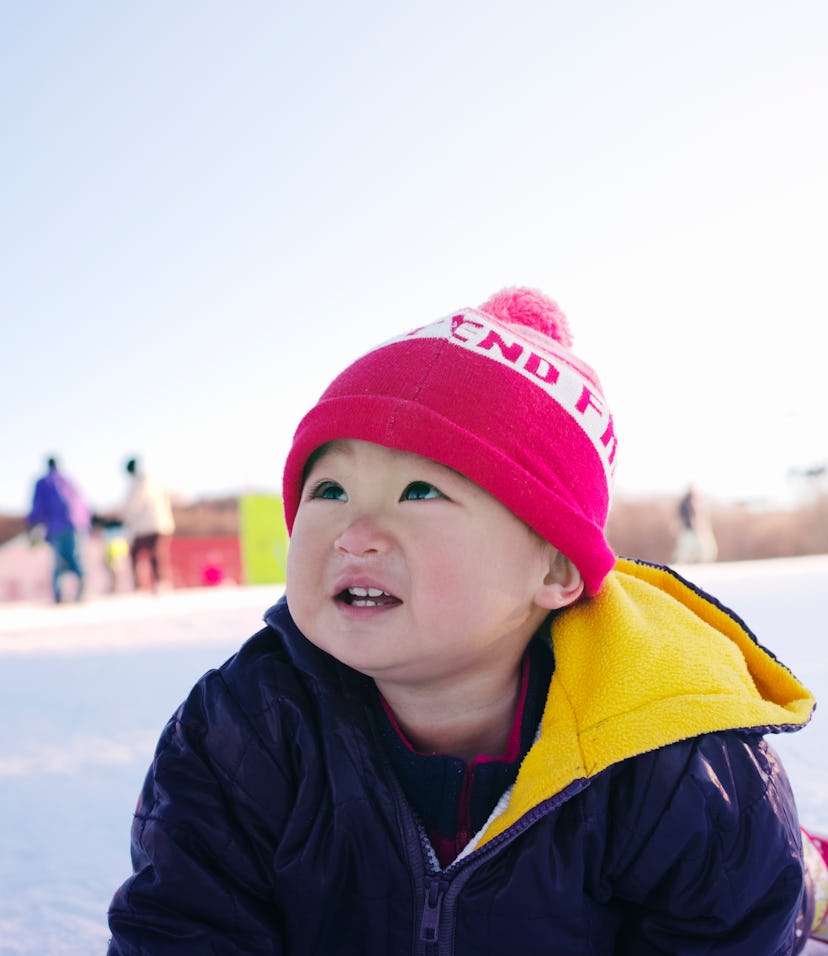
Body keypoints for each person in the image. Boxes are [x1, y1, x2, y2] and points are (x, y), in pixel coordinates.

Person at [107, 287, 827, 953]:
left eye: (421, 491)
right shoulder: (244, 731)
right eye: (330, 488)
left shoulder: (671, 756)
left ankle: (809, 870)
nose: (356, 532)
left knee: (778, 876)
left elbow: (732, 930)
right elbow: (181, 924)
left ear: (553, 570)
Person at [26, 456, 91, 603]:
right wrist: (86, 523)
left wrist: (32, 522)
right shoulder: (69, 481)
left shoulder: (43, 482)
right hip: (76, 525)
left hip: (56, 526)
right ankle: (82, 588)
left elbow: (38, 505)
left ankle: (59, 595)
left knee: (59, 560)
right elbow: (82, 502)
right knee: (76, 557)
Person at [121, 457, 176, 592]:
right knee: (157, 554)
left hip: (149, 526)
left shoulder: (140, 483)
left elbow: (133, 505)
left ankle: (147, 585)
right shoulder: (154, 480)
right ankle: (160, 583)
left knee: (145, 554)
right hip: (162, 524)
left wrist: (123, 517)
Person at [672, 482, 719, 563]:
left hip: (700, 528)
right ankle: (679, 562)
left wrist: (703, 524)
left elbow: (704, 514)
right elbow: (680, 515)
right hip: (688, 528)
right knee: (685, 548)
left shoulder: (700, 501)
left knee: (704, 547)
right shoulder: (685, 502)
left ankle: (702, 562)